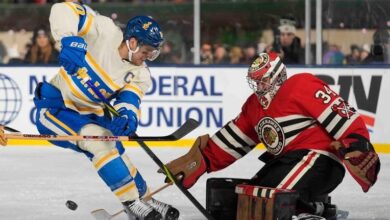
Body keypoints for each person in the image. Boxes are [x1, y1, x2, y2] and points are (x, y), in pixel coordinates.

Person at [162, 52, 380, 219]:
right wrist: (200, 161)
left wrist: (357, 143)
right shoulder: (253, 107)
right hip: (286, 162)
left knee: (273, 200)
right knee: (248, 197)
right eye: (256, 81)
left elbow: (342, 114)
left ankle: (307, 212)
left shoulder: (300, 85)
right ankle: (318, 208)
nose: (259, 86)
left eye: (263, 80)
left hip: (319, 160)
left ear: (278, 76)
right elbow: (232, 140)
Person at [33, 2, 179, 220]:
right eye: (147, 51)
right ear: (132, 42)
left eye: (153, 53)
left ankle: (145, 199)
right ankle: (132, 204)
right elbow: (63, 8)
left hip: (91, 115)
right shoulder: (104, 30)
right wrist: (69, 40)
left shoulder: (140, 74)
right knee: (100, 141)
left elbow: (129, 100)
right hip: (56, 109)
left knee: (115, 150)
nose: (148, 57)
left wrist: (127, 116)